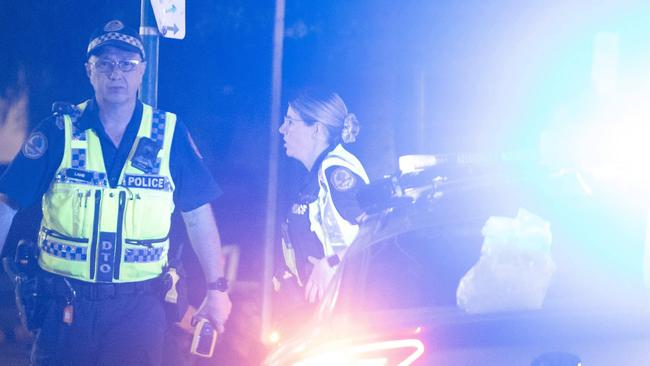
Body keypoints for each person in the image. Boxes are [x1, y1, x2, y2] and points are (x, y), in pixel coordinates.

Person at [0, 20, 231, 366]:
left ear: (142, 72)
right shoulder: (60, 130)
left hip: (139, 310)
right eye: (104, 64)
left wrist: (217, 290)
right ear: (89, 72)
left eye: (126, 65)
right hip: (65, 306)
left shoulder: (169, 135)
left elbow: (198, 216)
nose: (115, 74)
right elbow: (6, 204)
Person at [277, 91, 369, 306]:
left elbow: (376, 233)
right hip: (329, 306)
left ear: (316, 130)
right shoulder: (319, 173)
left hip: (348, 307)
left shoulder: (335, 172)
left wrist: (332, 263)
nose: (282, 130)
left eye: (290, 122)